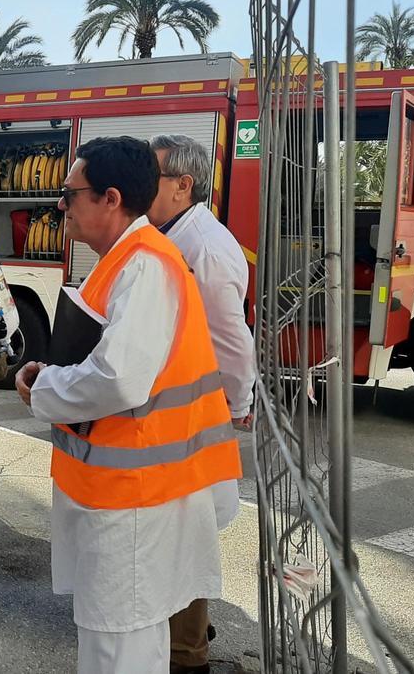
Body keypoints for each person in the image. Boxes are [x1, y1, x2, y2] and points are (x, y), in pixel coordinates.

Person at [15, 136, 242, 673]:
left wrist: (43, 389)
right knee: (126, 642)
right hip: (130, 496)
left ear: (110, 198)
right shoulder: (126, 261)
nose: (60, 206)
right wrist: (58, 374)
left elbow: (119, 379)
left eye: (69, 194)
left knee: (120, 648)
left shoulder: (143, 266)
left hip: (138, 503)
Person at [147, 133, 254, 674]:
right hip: (175, 413)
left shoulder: (205, 249)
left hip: (195, 415)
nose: (142, 186)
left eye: (154, 176)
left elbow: (233, 342)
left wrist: (236, 408)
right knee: (172, 530)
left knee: (183, 534)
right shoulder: (170, 234)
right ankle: (183, 628)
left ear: (183, 186)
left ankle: (188, 655)